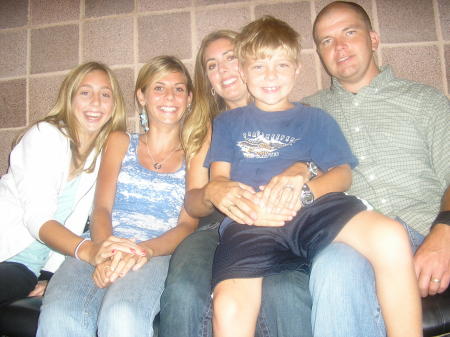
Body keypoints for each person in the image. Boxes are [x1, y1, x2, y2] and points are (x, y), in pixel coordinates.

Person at [208, 16, 421, 337]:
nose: (270, 76)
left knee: (391, 235)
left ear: (296, 70)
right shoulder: (228, 123)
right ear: (243, 71)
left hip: (311, 211)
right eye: (259, 66)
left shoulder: (315, 119)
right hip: (252, 221)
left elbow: (342, 174)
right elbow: (218, 178)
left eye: (281, 66)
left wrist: (305, 193)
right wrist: (234, 196)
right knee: (228, 307)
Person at [299, 1, 450, 335]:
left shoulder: (426, 101)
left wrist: (445, 234)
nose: (338, 46)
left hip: (428, 226)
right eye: (326, 40)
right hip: (355, 242)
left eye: (349, 33)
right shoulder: (309, 113)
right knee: (334, 266)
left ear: (374, 39)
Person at [159, 30, 313, 337]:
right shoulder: (207, 129)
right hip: (213, 231)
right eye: (212, 65)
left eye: (229, 58)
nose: (223, 70)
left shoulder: (293, 115)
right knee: (183, 288)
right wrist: (213, 191)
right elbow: (191, 202)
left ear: (248, 62)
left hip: (278, 226)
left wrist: (303, 168)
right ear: (209, 81)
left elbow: (328, 173)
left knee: (287, 292)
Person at [37, 56, 198, 337]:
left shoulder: (195, 153)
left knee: (122, 315)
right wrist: (104, 251)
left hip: (154, 254)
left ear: (189, 99)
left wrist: (143, 251)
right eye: (158, 87)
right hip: (102, 242)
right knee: (62, 315)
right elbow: (101, 207)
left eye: (179, 88)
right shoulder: (119, 140)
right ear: (142, 95)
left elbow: (187, 225)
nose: (169, 96)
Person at [0, 61, 127, 306]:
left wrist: (56, 279)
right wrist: (90, 251)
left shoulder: (101, 158)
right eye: (85, 92)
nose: (96, 102)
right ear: (70, 99)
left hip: (25, 270)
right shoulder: (45, 136)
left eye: (105, 94)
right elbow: (38, 219)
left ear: (114, 105)